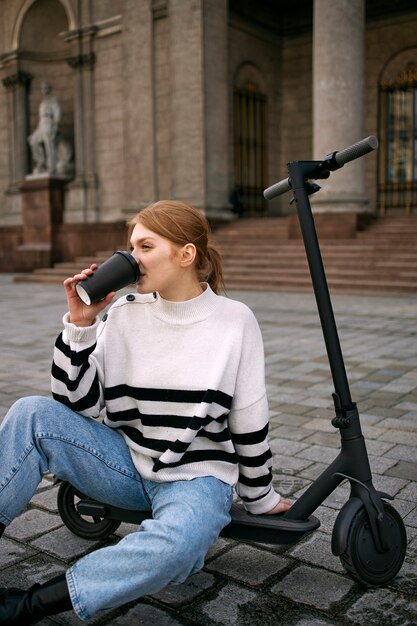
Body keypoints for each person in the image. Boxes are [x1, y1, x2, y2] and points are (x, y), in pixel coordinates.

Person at [0, 200, 291, 624]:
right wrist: (80, 328)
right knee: (31, 413)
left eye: (145, 246)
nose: (131, 259)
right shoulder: (123, 311)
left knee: (181, 546)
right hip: (125, 464)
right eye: (131, 247)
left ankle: (29, 605)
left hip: (195, 480)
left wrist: (259, 497)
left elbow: (250, 423)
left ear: (186, 254)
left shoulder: (234, 322)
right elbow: (77, 404)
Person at [28, 81, 61, 175]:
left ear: (49, 89)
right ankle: (41, 162)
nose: (44, 90)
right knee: (33, 141)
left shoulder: (53, 100)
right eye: (42, 88)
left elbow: (57, 113)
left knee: (49, 145)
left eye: (45, 88)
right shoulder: (42, 102)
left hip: (49, 122)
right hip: (42, 123)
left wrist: (55, 125)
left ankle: (52, 167)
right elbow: (40, 117)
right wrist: (37, 130)